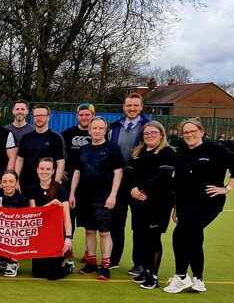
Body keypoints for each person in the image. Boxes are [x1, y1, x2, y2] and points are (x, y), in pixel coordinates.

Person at [163, 118, 234, 294]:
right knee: (193, 237)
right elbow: (178, 182)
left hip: (208, 202)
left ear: (201, 132)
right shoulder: (182, 154)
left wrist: (227, 188)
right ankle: (198, 279)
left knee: (181, 233)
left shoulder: (215, 149)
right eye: (186, 132)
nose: (189, 135)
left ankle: (181, 277)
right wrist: (176, 207)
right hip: (185, 203)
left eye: (193, 131)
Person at [70, 116, 124, 280]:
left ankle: (105, 265)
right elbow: (77, 172)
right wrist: (72, 193)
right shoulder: (84, 149)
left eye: (101, 128)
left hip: (104, 198)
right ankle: (91, 263)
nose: (97, 131)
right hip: (85, 197)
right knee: (90, 231)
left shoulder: (112, 149)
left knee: (104, 233)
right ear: (89, 130)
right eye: (94, 128)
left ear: (105, 130)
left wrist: (113, 195)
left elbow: (118, 173)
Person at [124, 121, 176, 290]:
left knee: (153, 239)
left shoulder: (167, 152)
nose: (149, 136)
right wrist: (133, 189)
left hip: (158, 204)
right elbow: (129, 173)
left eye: (153, 133)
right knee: (142, 238)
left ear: (161, 134)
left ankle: (153, 276)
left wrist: (141, 189)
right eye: (146, 134)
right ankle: (146, 271)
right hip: (139, 203)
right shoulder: (138, 152)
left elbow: (164, 176)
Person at [108, 93, 150, 274]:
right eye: (128, 106)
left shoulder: (148, 127)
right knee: (116, 223)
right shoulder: (115, 127)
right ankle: (114, 258)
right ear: (124, 107)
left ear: (141, 107)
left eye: (135, 106)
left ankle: (139, 262)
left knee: (139, 224)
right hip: (118, 183)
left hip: (139, 184)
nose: (132, 109)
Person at [27, 158, 74, 280]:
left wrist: (68, 238)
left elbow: (66, 216)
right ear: (37, 170)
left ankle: (68, 267)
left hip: (57, 236)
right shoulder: (32, 189)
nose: (44, 172)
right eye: (42, 168)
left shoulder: (60, 189)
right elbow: (34, 214)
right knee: (37, 273)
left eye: (48, 169)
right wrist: (49, 205)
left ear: (53, 171)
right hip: (41, 236)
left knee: (52, 275)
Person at [59, 103, 94, 263]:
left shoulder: (98, 133)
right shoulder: (67, 134)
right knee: (68, 216)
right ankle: (68, 247)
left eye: (87, 115)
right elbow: (56, 154)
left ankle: (89, 252)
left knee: (89, 220)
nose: (84, 117)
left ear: (93, 115)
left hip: (90, 185)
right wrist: (60, 169)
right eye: (82, 115)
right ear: (77, 116)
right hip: (69, 184)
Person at [14, 105, 66, 190]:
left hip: (46, 186)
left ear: (48, 117)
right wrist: (16, 179)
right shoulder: (26, 137)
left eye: (42, 115)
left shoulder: (56, 138)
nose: (38, 118)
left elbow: (61, 163)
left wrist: (55, 185)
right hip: (26, 184)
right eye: (36, 116)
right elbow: (20, 160)